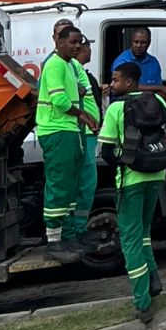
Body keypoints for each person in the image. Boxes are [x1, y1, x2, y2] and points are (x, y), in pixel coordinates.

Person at [96, 62, 164, 322]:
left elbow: (106, 152)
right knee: (144, 232)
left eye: (115, 80)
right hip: (156, 175)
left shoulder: (116, 108)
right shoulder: (158, 101)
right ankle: (153, 279)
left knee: (131, 240)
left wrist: (125, 165)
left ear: (129, 82)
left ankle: (142, 302)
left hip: (131, 180)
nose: (111, 85)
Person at [40, 24, 99, 264]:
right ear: (59, 42)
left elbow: (82, 90)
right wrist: (82, 115)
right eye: (73, 42)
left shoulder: (69, 64)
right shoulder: (54, 64)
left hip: (71, 131)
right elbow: (60, 100)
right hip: (58, 130)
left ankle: (69, 236)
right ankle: (54, 242)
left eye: (80, 42)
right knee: (60, 186)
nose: (77, 46)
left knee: (72, 188)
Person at [70, 37, 104, 252]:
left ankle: (78, 230)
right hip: (81, 133)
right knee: (83, 184)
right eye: (88, 46)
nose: (90, 50)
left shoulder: (81, 71)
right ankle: (76, 230)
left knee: (86, 184)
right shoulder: (71, 69)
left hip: (86, 133)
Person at [110, 27, 166, 96]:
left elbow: (158, 86)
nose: (138, 46)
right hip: (128, 101)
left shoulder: (154, 62)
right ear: (131, 41)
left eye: (143, 43)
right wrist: (160, 88)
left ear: (149, 43)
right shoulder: (122, 61)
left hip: (150, 101)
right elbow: (127, 87)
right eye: (136, 42)